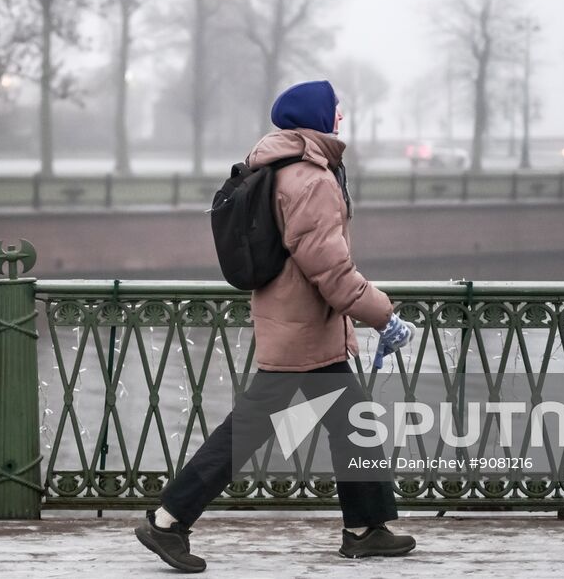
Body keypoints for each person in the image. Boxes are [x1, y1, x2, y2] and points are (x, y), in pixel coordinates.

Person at [134, 80, 417, 573]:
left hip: (295, 322)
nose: (342, 119)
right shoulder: (311, 180)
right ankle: (167, 520)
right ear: (318, 118)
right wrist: (383, 315)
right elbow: (329, 269)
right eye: (336, 111)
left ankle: (365, 530)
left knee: (353, 423)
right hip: (304, 328)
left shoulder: (276, 166)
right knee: (249, 430)